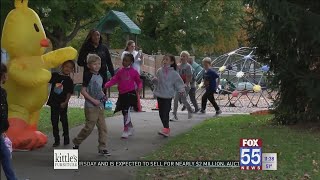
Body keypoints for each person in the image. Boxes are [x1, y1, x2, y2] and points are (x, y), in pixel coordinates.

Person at [72, 54, 110, 156]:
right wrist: (93, 100)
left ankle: (102, 147)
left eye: (99, 64)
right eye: (94, 64)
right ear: (89, 65)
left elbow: (99, 90)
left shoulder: (101, 76)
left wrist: (103, 96)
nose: (97, 66)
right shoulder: (87, 75)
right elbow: (83, 91)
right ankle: (76, 141)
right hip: (91, 106)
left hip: (100, 106)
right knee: (89, 127)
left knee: (103, 127)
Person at [104, 54, 142, 139]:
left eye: (126, 60)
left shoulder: (134, 72)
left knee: (126, 110)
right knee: (125, 111)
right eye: (123, 60)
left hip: (131, 94)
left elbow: (139, 82)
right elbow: (113, 80)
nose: (124, 62)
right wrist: (105, 85)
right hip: (122, 94)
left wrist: (139, 88)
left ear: (131, 62)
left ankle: (126, 130)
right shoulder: (120, 72)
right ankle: (130, 127)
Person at [153, 55, 186, 137]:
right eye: (163, 59)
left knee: (166, 112)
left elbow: (179, 82)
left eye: (167, 59)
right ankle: (165, 128)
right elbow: (157, 82)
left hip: (168, 96)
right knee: (161, 113)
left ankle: (166, 129)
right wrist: (154, 81)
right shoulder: (159, 71)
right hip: (160, 95)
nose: (164, 61)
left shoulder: (174, 73)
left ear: (171, 62)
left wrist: (181, 90)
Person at [47, 60, 75, 147]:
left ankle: (66, 136)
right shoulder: (55, 76)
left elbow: (69, 93)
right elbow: (46, 79)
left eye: (70, 68)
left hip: (62, 103)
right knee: (54, 121)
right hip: (54, 103)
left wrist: (65, 102)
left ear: (72, 70)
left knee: (64, 121)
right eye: (66, 66)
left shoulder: (69, 81)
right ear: (62, 66)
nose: (68, 68)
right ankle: (56, 139)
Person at [0, 63, 18, 180]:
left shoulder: (3, 92)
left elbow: (3, 112)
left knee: (5, 154)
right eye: (6, 73)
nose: (7, 75)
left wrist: (2, 130)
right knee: (5, 154)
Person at [120, 40, 143, 112]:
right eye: (132, 46)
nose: (133, 47)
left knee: (136, 89)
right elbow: (130, 62)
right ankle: (129, 105)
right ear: (128, 46)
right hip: (128, 73)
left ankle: (135, 105)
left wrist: (141, 58)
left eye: (134, 46)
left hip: (136, 73)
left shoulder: (136, 53)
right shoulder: (125, 53)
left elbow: (140, 63)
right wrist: (136, 57)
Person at [170, 51, 193, 121]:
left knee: (182, 100)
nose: (182, 57)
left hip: (185, 86)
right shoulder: (178, 66)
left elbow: (189, 76)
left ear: (187, 58)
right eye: (181, 56)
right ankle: (174, 115)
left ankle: (189, 110)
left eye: (184, 56)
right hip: (178, 86)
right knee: (177, 99)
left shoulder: (188, 66)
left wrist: (186, 84)